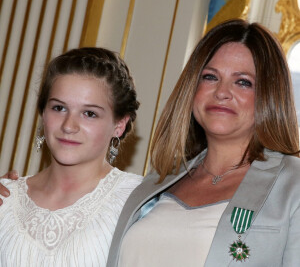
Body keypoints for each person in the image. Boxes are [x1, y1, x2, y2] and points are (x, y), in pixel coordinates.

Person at [105, 19, 300, 266]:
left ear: (269, 96)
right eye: (210, 77)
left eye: (243, 82)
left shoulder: (293, 185)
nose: (221, 92)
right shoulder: (158, 181)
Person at [0, 47, 142, 266]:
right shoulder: (5, 198)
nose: (68, 126)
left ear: (119, 125)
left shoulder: (139, 201)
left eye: (89, 113)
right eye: (59, 108)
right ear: (43, 114)